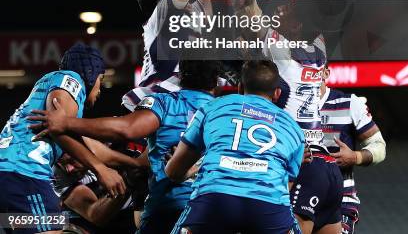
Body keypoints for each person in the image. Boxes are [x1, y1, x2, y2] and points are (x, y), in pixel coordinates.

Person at [215, 0, 344, 233]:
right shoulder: (318, 46)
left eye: (288, 8)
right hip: (325, 170)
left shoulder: (280, 51)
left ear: (298, 20)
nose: (283, 5)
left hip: (296, 163)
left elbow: (244, 5)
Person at [28, 60, 221, 234]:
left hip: (165, 210)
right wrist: (128, 179)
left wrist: (66, 123)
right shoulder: (225, 112)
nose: (68, 167)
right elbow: (96, 215)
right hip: (207, 209)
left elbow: (124, 130)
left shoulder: (131, 132)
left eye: (69, 155)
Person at [166, 60, 304, 233]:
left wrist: (189, 172)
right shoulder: (294, 128)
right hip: (268, 208)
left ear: (240, 87)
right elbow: (286, 185)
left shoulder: (212, 107)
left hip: (213, 200)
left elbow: (173, 171)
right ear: (277, 93)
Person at [0, 43, 125, 234]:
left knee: (54, 223)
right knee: (53, 226)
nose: (100, 89)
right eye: (101, 79)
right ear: (91, 73)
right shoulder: (71, 79)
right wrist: (101, 169)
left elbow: (92, 148)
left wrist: (134, 164)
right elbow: (58, 128)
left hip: (9, 177)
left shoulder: (47, 85)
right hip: (24, 173)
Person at [320, 65, 386, 233]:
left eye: (312, 69)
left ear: (326, 73)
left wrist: (356, 157)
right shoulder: (286, 105)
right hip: (296, 199)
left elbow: (379, 146)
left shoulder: (349, 103)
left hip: (340, 201)